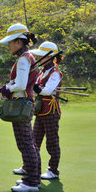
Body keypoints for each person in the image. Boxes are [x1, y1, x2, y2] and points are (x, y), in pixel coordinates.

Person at [0, 23, 40, 192]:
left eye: (11, 42)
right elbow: (17, 83)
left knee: (25, 143)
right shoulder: (26, 57)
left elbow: (20, 84)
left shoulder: (24, 59)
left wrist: (4, 90)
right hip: (25, 103)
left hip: (22, 105)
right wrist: (2, 89)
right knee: (28, 142)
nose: (8, 46)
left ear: (19, 42)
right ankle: (34, 177)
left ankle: (31, 181)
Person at [30, 41, 63, 180]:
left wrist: (38, 88)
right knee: (34, 140)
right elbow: (38, 88)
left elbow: (48, 90)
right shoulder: (43, 71)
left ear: (50, 57)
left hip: (51, 111)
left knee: (52, 142)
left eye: (42, 56)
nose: (39, 59)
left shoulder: (55, 73)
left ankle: (53, 170)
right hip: (40, 110)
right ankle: (29, 166)